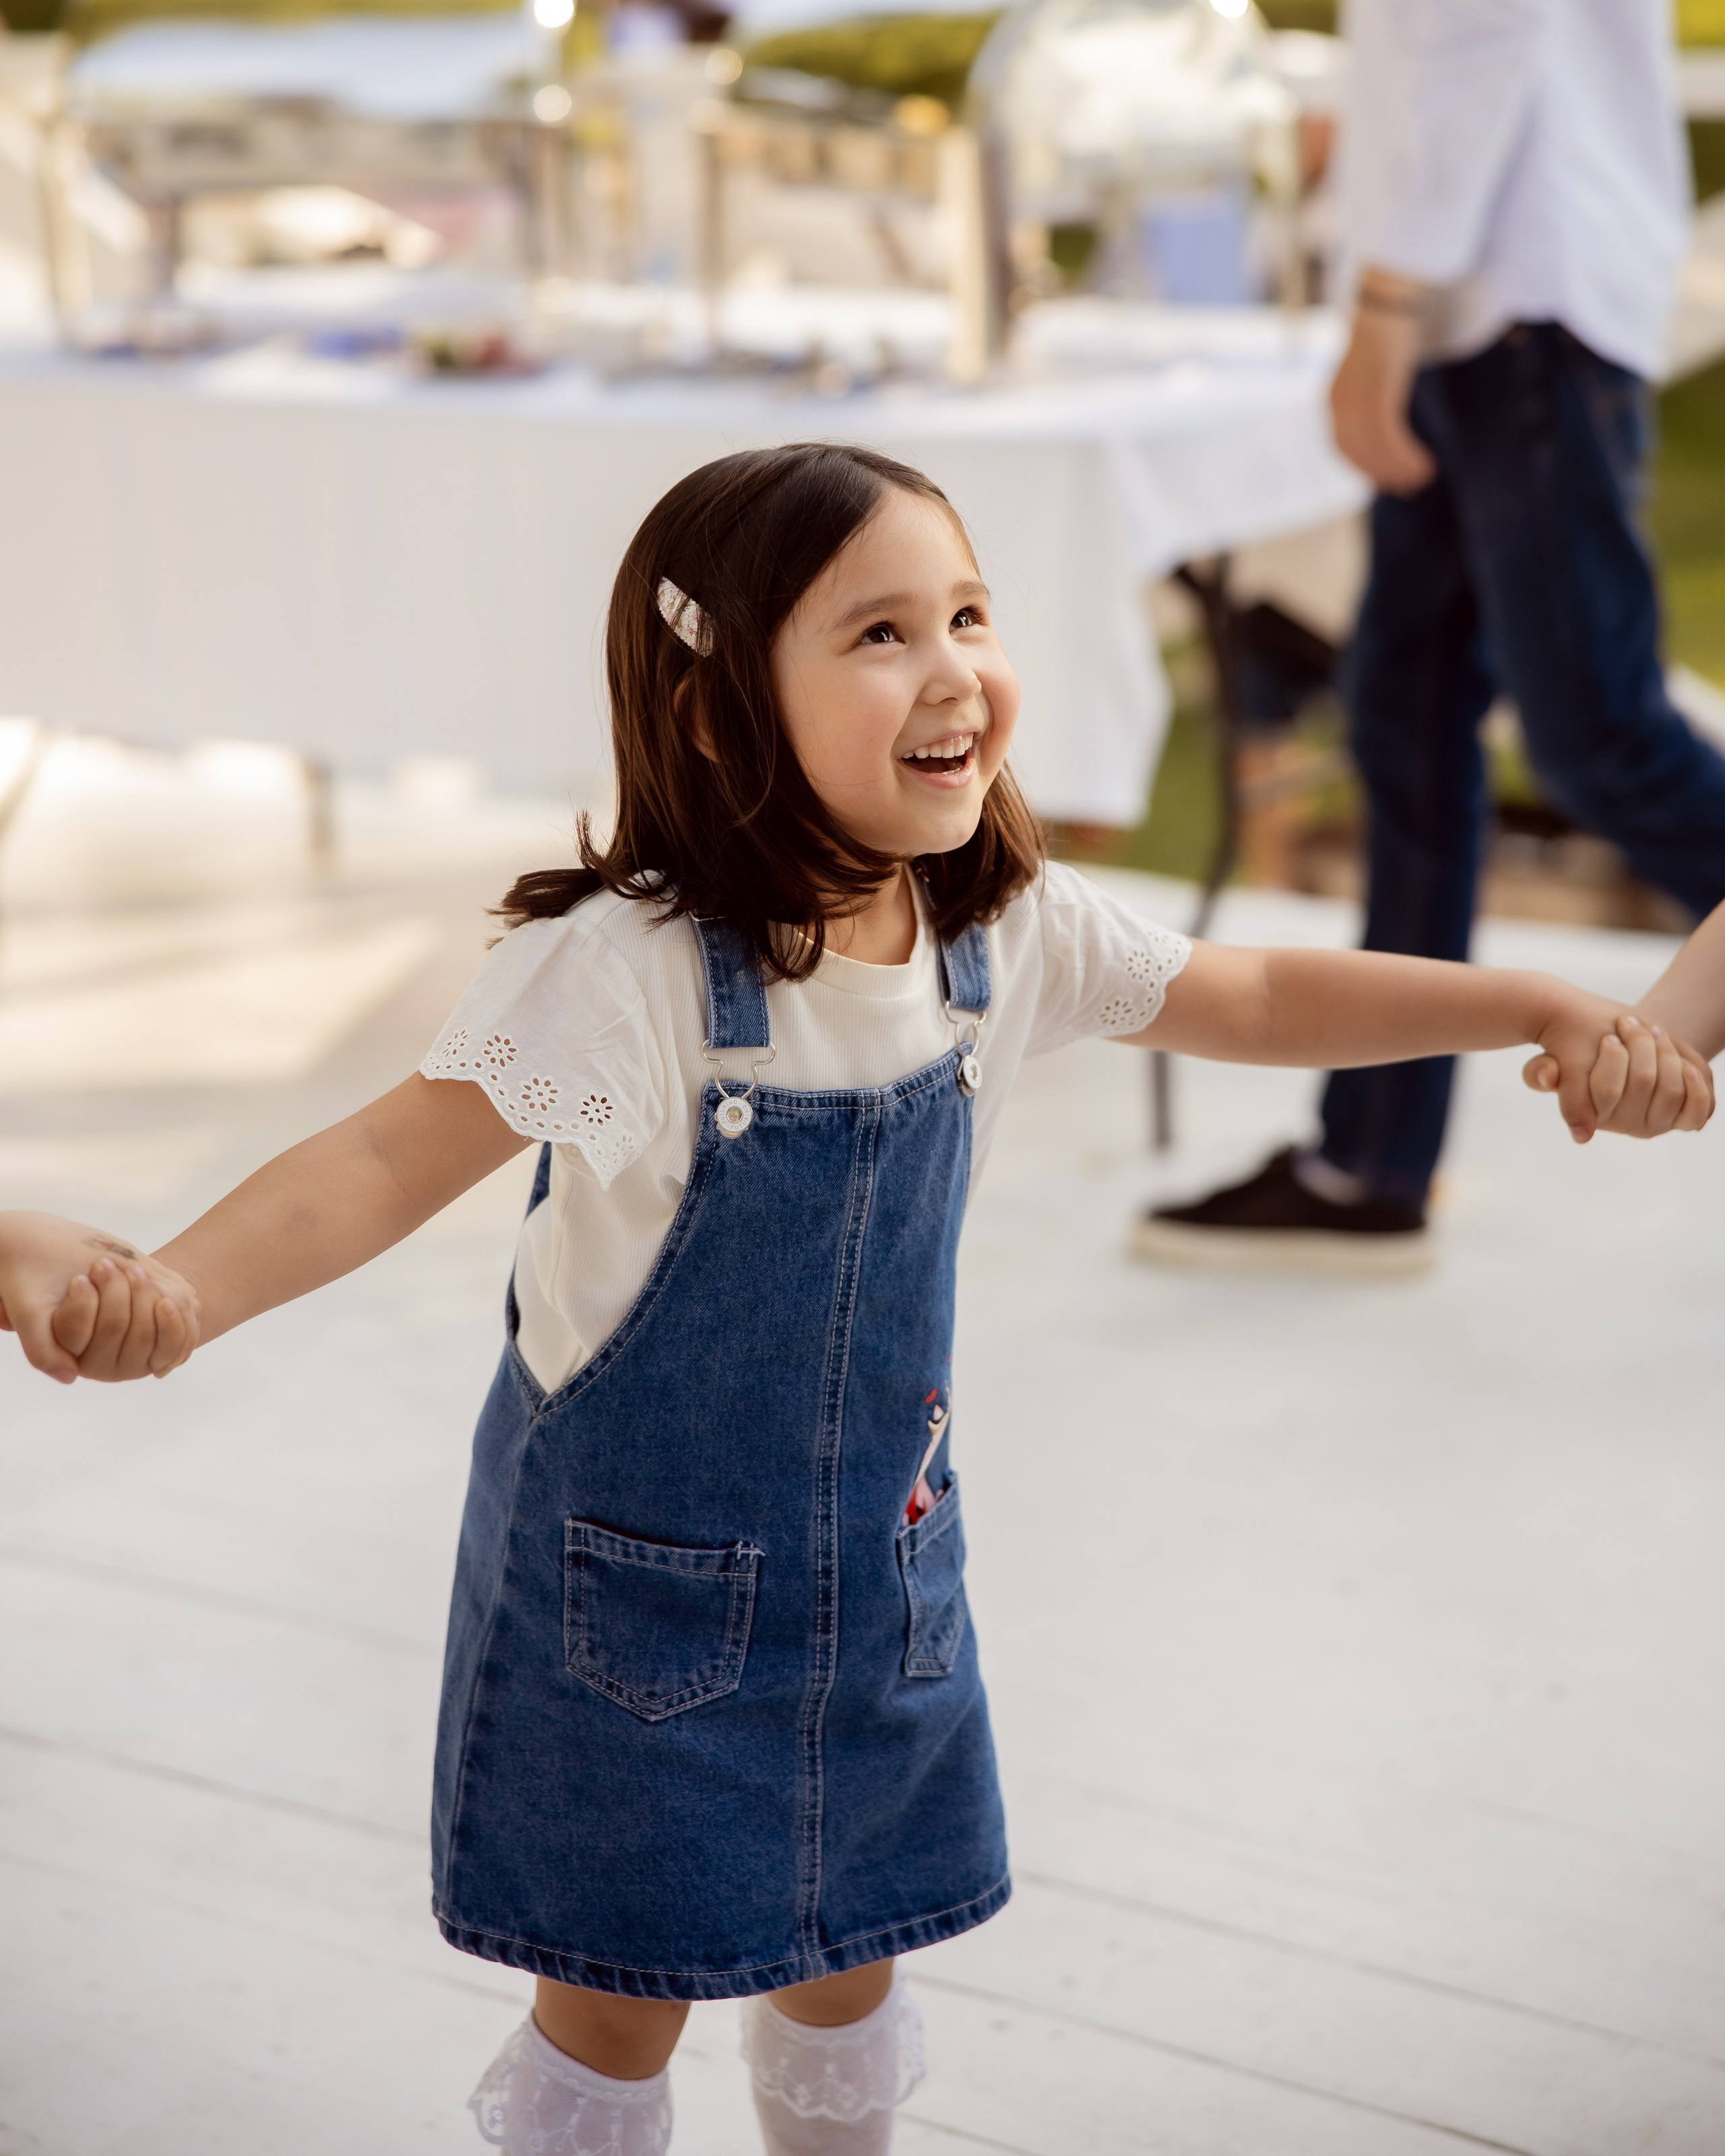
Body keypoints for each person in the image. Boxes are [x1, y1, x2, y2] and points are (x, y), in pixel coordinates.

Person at [0, 445, 1710, 2156]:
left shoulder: (993, 931)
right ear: (721, 708)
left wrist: (1525, 1003)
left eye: (967, 611)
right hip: (634, 1618)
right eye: (880, 631)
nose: (953, 664)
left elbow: (1253, 991)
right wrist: (180, 1293)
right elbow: (378, 1161)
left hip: (880, 1576)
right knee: (617, 1995)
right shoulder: (631, 969)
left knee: (848, 1950)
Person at [1137, 0, 1725, 1273]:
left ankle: (1372, 1163)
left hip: (1512, 296)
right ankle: (1371, 1164)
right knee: (1403, 719)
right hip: (1491, 299)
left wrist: (1386, 302)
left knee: (1601, 740)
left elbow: (1472, 26)